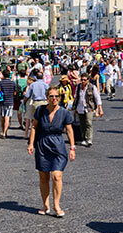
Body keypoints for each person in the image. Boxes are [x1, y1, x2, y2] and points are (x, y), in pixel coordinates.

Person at [27, 86, 76, 218]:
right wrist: (31, 143)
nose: (54, 99)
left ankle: (56, 204)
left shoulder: (64, 113)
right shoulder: (40, 110)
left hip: (58, 146)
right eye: (51, 96)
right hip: (42, 145)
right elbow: (34, 126)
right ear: (47, 97)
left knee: (57, 176)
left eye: (56, 96)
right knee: (43, 177)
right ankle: (45, 205)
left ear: (60, 98)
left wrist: (72, 147)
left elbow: (70, 130)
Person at [73, 73, 103, 146]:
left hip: (89, 107)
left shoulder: (92, 87)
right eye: (82, 80)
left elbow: (97, 98)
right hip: (80, 107)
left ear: (88, 80)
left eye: (84, 80)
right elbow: (77, 97)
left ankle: (89, 139)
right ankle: (83, 138)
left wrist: (100, 109)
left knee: (88, 123)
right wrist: (75, 107)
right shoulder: (79, 87)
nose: (83, 81)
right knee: (82, 124)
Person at [24, 74, 49, 139]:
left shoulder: (33, 85)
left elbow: (27, 95)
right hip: (44, 102)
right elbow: (49, 92)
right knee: (43, 118)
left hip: (36, 102)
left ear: (36, 77)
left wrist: (24, 101)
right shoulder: (45, 84)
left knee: (35, 119)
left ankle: (35, 133)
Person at [0, 73, 16, 138]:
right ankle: (5, 132)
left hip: (3, 102)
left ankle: (2, 130)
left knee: (3, 117)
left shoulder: (1, 83)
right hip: (10, 101)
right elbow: (15, 93)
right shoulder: (13, 83)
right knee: (7, 117)